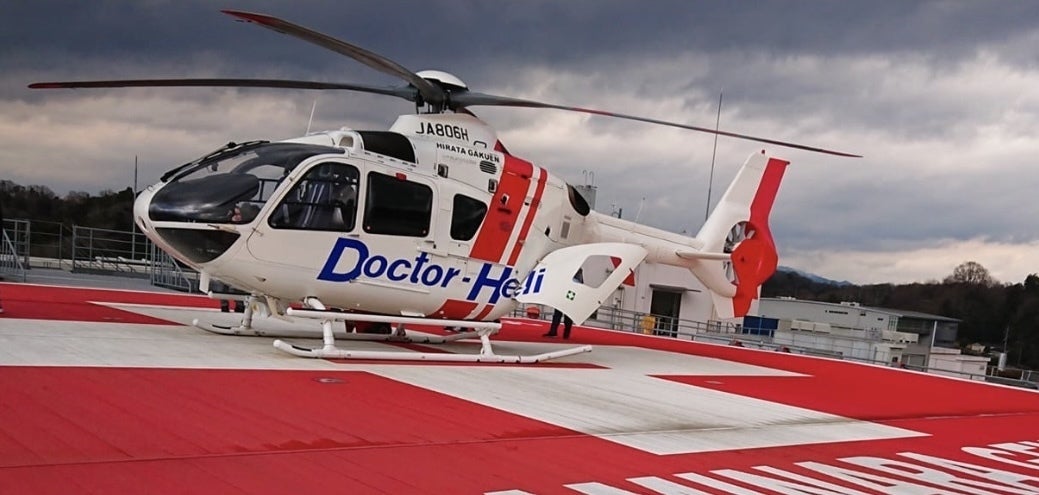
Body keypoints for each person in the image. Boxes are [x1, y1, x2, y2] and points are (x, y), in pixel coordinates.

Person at [543, 268, 583, 339]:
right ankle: (562, 333)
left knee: (560, 314)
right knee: (562, 314)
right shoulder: (576, 273)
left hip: (568, 293)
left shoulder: (573, 270)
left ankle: (557, 332)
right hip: (568, 293)